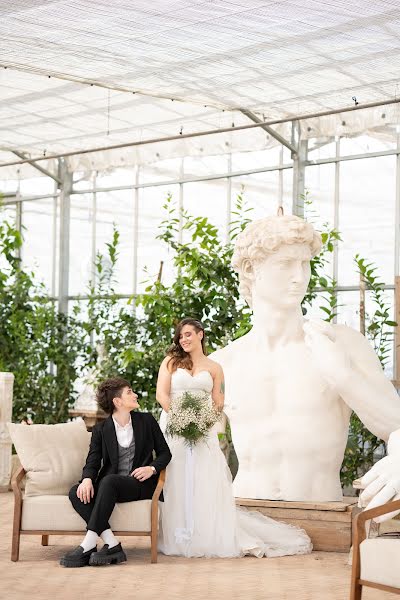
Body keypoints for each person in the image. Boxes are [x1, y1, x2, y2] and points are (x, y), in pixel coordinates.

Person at [210, 214, 400, 507]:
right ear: (250, 269)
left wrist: (343, 377)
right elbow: (189, 447)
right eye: (286, 264)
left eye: (305, 264)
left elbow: (397, 424)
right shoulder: (223, 363)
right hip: (242, 516)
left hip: (321, 517)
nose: (300, 276)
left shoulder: (341, 345)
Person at [156, 318, 312, 558]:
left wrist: (204, 421)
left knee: (204, 478)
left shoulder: (215, 367)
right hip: (174, 427)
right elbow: (162, 395)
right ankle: (178, 534)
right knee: (176, 478)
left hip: (202, 430)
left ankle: (204, 534)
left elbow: (218, 400)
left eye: (188, 334)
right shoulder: (171, 362)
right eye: (180, 336)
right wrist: (181, 419)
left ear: (200, 334)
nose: (183, 339)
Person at [60, 377, 172, 567]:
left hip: (139, 485)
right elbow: (93, 461)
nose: (135, 394)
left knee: (109, 481)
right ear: (117, 401)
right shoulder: (101, 429)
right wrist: (87, 479)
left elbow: (165, 453)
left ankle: (87, 544)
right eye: (130, 392)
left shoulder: (146, 421)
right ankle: (112, 543)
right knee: (76, 492)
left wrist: (151, 469)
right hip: (110, 487)